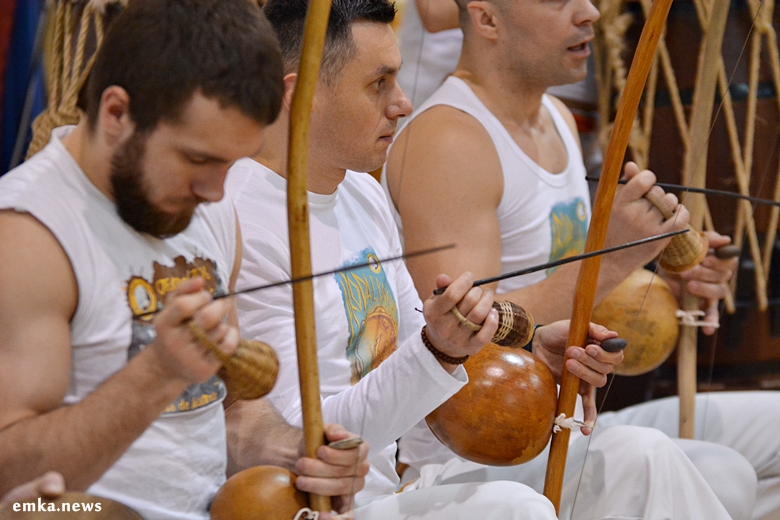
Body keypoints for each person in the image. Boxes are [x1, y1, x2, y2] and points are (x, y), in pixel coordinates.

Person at [225, 1, 748, 519]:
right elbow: (307, 439)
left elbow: (417, 338)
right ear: (301, 95)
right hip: (333, 504)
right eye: (378, 83)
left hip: (397, 488)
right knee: (514, 508)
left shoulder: (361, 191)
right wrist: (440, 352)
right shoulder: (248, 222)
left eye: (397, 80)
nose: (402, 103)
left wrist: (526, 346)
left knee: (645, 457)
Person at [384, 0, 780, 519]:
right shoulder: (450, 140)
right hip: (476, 457)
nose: (590, 11)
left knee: (756, 444)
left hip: (565, 422)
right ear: (486, 19)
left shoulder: (556, 120)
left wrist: (662, 282)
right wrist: (613, 259)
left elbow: (563, 289)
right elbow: (463, 337)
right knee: (658, 462)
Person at [0, 2, 368, 519]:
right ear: (116, 114)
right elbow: (11, 484)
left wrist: (299, 452)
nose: (218, 192)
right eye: (198, 160)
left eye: (231, 162)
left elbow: (233, 412)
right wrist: (155, 374)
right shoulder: (26, 235)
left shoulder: (205, 211)